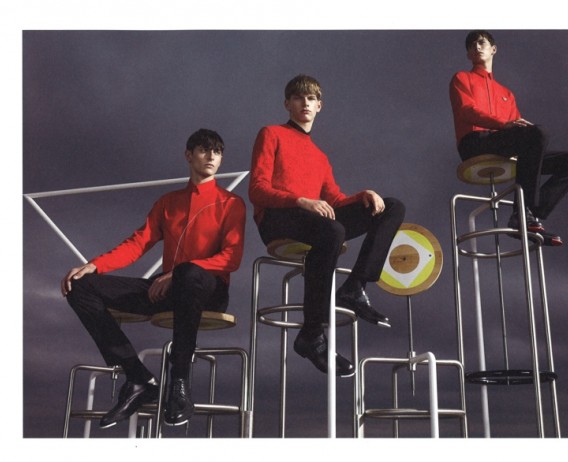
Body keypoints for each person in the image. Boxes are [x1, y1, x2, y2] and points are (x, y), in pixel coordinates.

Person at [60, 128, 246, 428]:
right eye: (204, 149)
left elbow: (231, 257)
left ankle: (179, 382)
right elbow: (138, 243)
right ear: (189, 155)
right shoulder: (168, 202)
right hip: (168, 288)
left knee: (188, 273)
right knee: (78, 286)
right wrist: (94, 265)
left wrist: (176, 273)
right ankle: (138, 378)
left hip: (208, 290)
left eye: (218, 151)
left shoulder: (231, 203)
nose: (212, 156)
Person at [249, 74, 406, 377]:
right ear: (287, 103)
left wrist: (363, 196)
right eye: (298, 97)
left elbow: (334, 200)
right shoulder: (271, 134)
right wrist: (301, 201)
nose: (305, 103)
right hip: (276, 218)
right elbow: (257, 189)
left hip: (314, 220)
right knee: (332, 230)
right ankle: (312, 334)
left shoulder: (320, 156)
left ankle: (355, 287)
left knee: (392, 207)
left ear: (319, 106)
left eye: (311, 98)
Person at [449, 30, 568, 246]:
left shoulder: (506, 93)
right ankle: (523, 214)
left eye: (481, 42)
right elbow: (467, 111)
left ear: (493, 49)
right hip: (474, 143)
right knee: (537, 134)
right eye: (471, 45)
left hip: (502, 147)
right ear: (468, 54)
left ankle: (528, 215)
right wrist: (504, 125)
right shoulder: (461, 78)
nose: (476, 47)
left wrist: (529, 133)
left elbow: (519, 130)